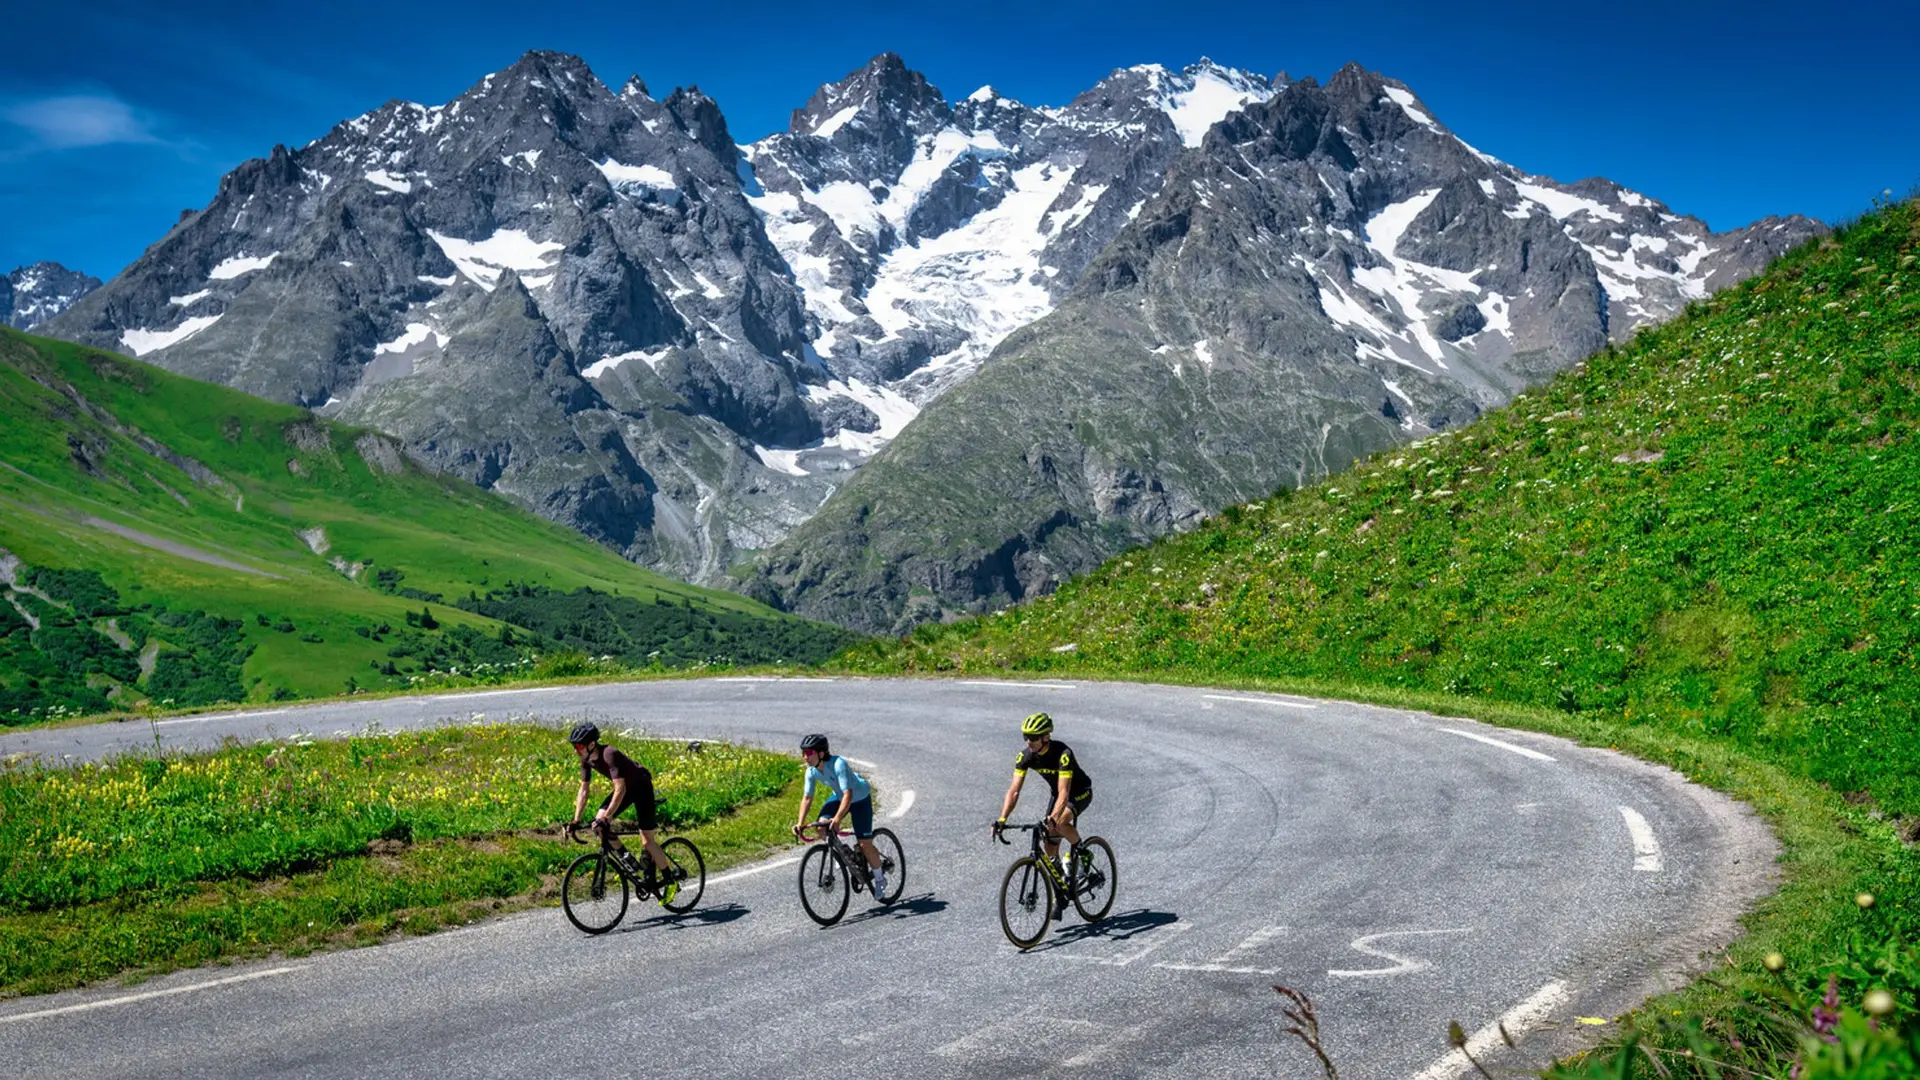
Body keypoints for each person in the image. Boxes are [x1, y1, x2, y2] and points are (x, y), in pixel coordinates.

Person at [565, 721, 681, 903]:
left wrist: (609, 817)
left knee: (647, 840)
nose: (575, 750)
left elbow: (620, 789)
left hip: (641, 788)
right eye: (574, 746)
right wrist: (576, 820)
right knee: (598, 826)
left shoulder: (609, 754)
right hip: (626, 790)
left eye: (578, 746)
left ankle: (670, 879)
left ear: (591, 744)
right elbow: (584, 790)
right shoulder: (586, 759)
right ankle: (632, 863)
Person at [993, 712, 1092, 913]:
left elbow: (1065, 792)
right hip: (1059, 795)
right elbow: (1014, 790)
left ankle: (1084, 852)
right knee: (1049, 844)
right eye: (1025, 737)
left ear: (1046, 736)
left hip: (1079, 792)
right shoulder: (1026, 756)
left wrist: (1054, 817)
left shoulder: (1063, 753)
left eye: (1033, 737)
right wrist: (1002, 818)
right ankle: (1061, 890)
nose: (1029, 741)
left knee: (1061, 822)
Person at [792, 733, 888, 899]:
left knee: (865, 845)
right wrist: (800, 823)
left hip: (859, 798)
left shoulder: (838, 764)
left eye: (809, 753)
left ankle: (879, 878)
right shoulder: (811, 771)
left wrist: (837, 819)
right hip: (839, 797)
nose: (805, 757)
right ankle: (843, 852)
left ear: (821, 754)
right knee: (821, 827)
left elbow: (848, 795)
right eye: (803, 753)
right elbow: (807, 798)